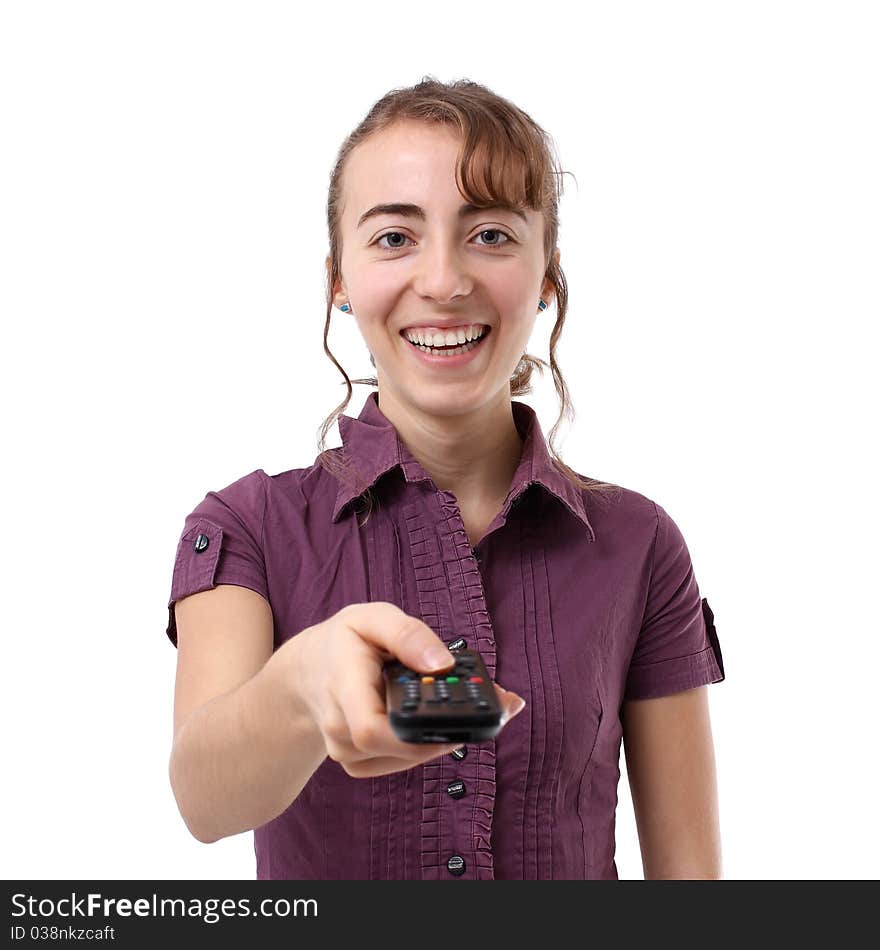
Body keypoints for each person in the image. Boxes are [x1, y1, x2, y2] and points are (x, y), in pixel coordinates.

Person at [164, 76, 726, 880]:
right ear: (339, 282)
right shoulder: (249, 525)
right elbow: (202, 801)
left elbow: (692, 886)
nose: (444, 280)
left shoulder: (641, 546)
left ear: (547, 277)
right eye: (395, 238)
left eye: (490, 234)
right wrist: (301, 687)